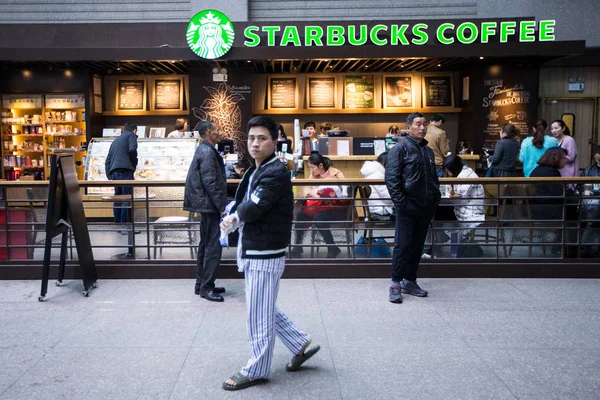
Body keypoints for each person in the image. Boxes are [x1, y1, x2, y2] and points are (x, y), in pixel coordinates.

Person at [220, 116, 320, 391]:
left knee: (258, 313)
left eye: (262, 138)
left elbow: (254, 207)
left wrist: (234, 217)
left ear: (275, 142)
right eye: (251, 138)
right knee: (260, 306)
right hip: (258, 245)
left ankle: (257, 369)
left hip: (265, 250)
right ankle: (299, 342)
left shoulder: (274, 171)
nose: (255, 143)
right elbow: (246, 203)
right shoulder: (259, 168)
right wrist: (234, 216)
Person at [385, 112, 440, 303]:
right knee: (403, 245)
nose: (422, 128)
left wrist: (435, 197)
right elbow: (391, 180)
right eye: (418, 124)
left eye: (424, 124)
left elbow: (433, 177)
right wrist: (403, 204)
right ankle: (395, 284)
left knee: (417, 246)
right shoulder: (399, 149)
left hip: (426, 205)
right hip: (408, 205)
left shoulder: (428, 151)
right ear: (409, 127)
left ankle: (410, 281)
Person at [183, 120, 228, 302]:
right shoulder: (207, 152)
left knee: (205, 244)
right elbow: (210, 181)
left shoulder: (204, 150)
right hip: (209, 205)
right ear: (209, 132)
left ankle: (201, 283)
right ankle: (206, 287)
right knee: (212, 246)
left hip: (205, 204)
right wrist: (222, 207)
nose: (220, 132)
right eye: (217, 130)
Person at [291, 152, 347, 259]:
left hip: (336, 209)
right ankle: (298, 247)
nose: (311, 170)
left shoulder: (337, 174)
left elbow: (344, 193)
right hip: (318, 207)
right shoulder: (314, 175)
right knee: (301, 216)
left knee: (319, 218)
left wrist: (316, 193)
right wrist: (312, 193)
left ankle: (332, 248)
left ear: (320, 166)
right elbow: (306, 188)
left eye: (313, 168)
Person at [443, 155, 485, 246]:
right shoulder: (466, 172)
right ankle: (445, 239)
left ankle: (442, 241)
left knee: (440, 212)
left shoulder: (464, 176)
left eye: (449, 170)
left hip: (470, 210)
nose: (448, 173)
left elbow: (458, 198)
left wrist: (450, 194)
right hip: (469, 207)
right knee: (441, 211)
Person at [105, 122, 138, 228]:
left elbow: (108, 159)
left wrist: (109, 174)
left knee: (118, 199)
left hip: (115, 172)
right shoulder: (131, 136)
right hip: (125, 172)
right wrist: (133, 164)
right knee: (126, 199)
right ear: (134, 130)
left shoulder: (115, 140)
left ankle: (118, 224)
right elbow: (133, 149)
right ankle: (126, 226)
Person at [360, 152, 394, 220]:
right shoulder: (378, 176)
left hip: (374, 210)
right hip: (380, 212)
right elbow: (388, 199)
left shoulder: (372, 174)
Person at [580, 146, 600, 257]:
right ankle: (586, 244)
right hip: (590, 203)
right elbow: (583, 188)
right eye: (598, 159)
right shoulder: (588, 170)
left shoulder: (588, 170)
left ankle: (587, 245)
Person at [424, 114, 449, 178]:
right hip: (436, 163)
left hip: (424, 163)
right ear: (440, 121)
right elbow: (444, 151)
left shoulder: (423, 130)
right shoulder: (441, 133)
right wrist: (447, 142)